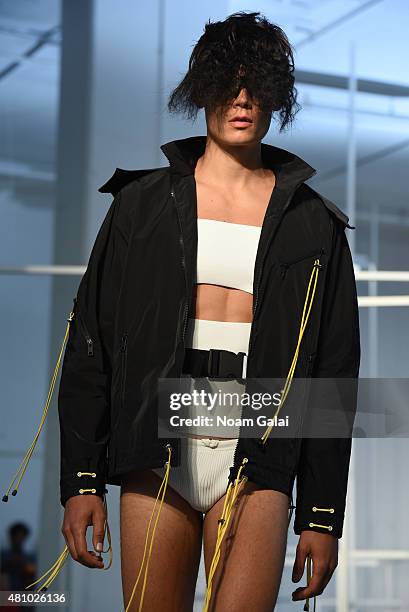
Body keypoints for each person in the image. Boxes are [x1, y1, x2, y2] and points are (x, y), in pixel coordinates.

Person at [28, 10, 359, 612]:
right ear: (199, 89)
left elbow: (334, 375)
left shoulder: (314, 223)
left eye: (258, 84)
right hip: (157, 443)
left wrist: (322, 513)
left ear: (276, 96)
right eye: (226, 82)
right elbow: (91, 346)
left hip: (258, 445)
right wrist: (80, 481)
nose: (242, 98)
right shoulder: (140, 206)